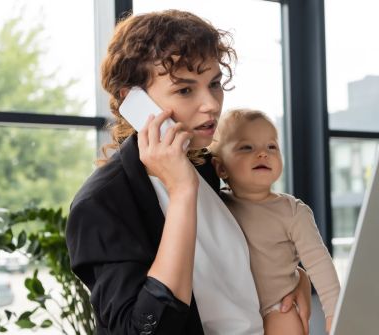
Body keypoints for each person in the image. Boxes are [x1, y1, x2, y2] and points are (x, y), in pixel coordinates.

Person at [65, 10, 311, 335]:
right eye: (185, 90)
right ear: (132, 100)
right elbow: (140, 330)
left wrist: (298, 280)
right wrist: (181, 193)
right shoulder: (102, 203)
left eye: (215, 84)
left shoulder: (206, 166)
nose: (210, 104)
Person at [207, 108, 340, 335]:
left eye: (271, 146)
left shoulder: (293, 211)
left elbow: (319, 263)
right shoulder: (216, 205)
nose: (262, 154)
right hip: (228, 309)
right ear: (220, 167)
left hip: (277, 306)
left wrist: (334, 314)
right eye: (246, 147)